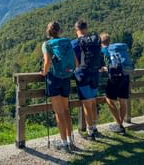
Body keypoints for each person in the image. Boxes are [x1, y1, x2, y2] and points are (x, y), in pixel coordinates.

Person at [41, 21, 75, 152]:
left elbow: (48, 61)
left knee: (58, 112)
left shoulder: (47, 44)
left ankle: (64, 144)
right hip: (66, 78)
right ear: (59, 31)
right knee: (66, 110)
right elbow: (75, 62)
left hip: (54, 79)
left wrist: (44, 72)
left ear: (48, 32)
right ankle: (70, 140)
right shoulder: (67, 42)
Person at [71, 20, 101, 140]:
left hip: (83, 75)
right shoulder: (93, 41)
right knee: (93, 101)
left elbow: (75, 63)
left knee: (86, 104)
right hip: (95, 74)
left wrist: (74, 71)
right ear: (86, 28)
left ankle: (90, 132)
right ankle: (94, 127)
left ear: (76, 30)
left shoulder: (74, 43)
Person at [100, 32, 129, 135]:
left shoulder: (104, 50)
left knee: (109, 100)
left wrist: (104, 68)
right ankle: (120, 124)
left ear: (101, 42)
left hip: (115, 78)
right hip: (125, 75)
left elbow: (107, 65)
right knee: (123, 101)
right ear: (109, 41)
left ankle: (119, 125)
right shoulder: (117, 50)